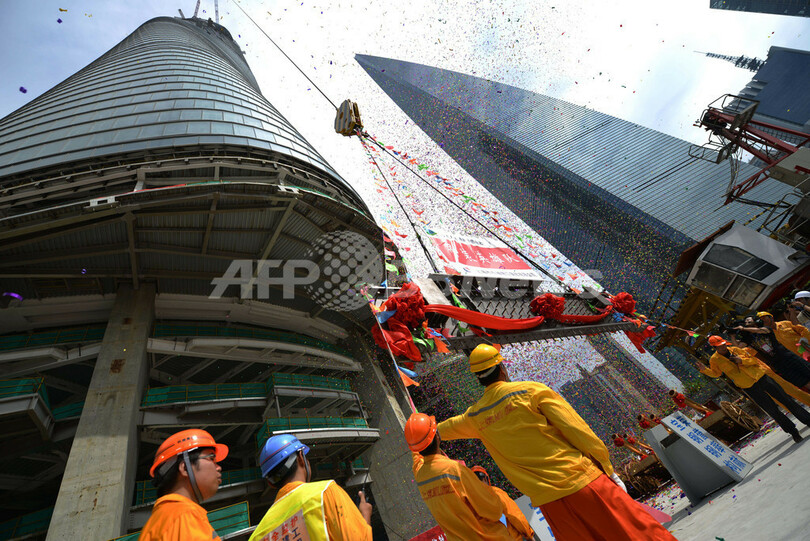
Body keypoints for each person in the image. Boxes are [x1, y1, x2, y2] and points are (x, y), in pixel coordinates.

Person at [436, 344, 677, 540]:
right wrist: (609, 469)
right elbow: (578, 431)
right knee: (640, 534)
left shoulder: (474, 418)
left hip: (550, 504)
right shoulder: (530, 391)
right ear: (501, 368)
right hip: (584, 482)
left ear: (478, 379)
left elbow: (436, 432)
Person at [405, 413, 511, 541]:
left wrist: (415, 433)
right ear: (437, 436)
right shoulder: (455, 470)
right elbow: (493, 510)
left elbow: (416, 458)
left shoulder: (420, 476)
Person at [249, 434, 372, 541]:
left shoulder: (256, 536)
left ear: (270, 483)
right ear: (301, 458)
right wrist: (365, 515)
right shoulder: (325, 492)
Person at [698, 336, 810, 444]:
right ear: (715, 348)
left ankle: (807, 420)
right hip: (748, 386)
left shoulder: (735, 350)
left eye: (723, 344)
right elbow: (716, 373)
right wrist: (705, 370)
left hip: (761, 377)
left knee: (786, 400)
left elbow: (753, 360)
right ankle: (793, 431)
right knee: (772, 410)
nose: (723, 347)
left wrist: (741, 360)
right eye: (719, 346)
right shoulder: (715, 360)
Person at [140, 429, 229, 541]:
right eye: (211, 459)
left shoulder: (158, 521)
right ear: (185, 468)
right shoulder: (184, 516)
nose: (219, 467)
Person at [735, 313, 810, 391]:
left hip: (788, 357)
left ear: (756, 322)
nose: (747, 323)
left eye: (749, 321)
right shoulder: (748, 339)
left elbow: (759, 330)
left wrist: (743, 328)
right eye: (745, 322)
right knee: (802, 382)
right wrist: (732, 335)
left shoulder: (766, 329)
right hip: (778, 364)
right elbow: (738, 347)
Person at [471, 465, 534, 541]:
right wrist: (529, 535)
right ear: (485, 478)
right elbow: (514, 515)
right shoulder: (495, 493)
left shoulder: (471, 503)